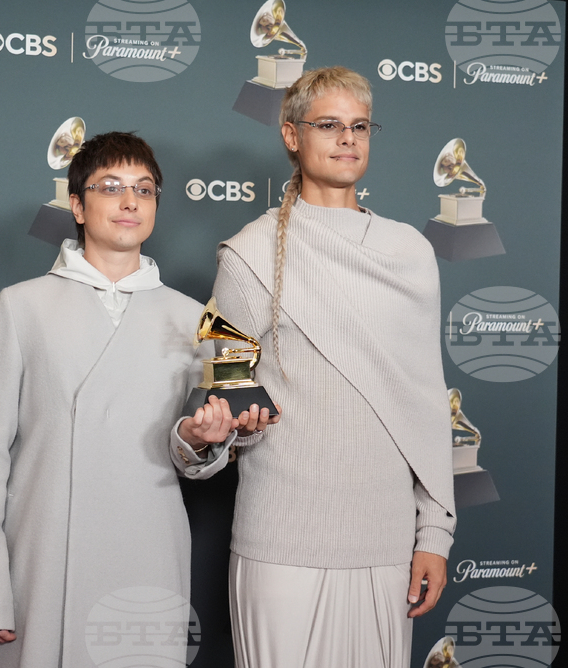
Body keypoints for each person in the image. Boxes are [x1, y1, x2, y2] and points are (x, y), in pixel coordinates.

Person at [0, 132, 271, 667]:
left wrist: (201, 440)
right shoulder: (22, 306)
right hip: (45, 555)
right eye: (111, 187)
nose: (130, 202)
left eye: (144, 190)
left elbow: (193, 452)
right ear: (78, 206)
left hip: (147, 552)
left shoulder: (194, 318)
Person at [212, 66, 457, 667]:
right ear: (292, 136)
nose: (348, 138)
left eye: (360, 126)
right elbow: (221, 389)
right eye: (328, 125)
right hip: (281, 541)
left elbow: (427, 403)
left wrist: (435, 533)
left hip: (385, 542)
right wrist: (231, 427)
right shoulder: (247, 254)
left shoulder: (411, 252)